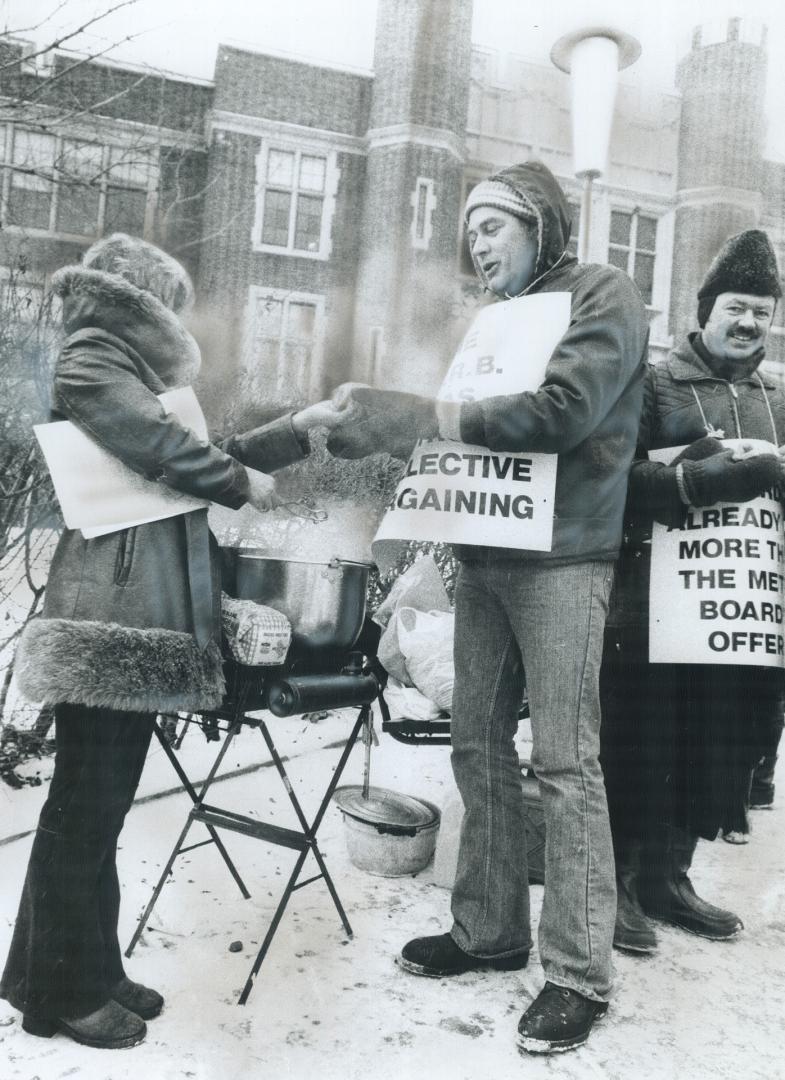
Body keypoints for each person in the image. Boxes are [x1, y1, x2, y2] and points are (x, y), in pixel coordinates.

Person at [0, 233, 352, 1049]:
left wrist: (298, 427)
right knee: (84, 809)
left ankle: (87, 966)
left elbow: (195, 456)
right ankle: (52, 989)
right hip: (113, 620)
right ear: (145, 305)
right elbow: (169, 452)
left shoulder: (122, 372)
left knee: (101, 806)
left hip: (137, 617)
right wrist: (235, 481)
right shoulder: (93, 358)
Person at [328, 161, 649, 1054]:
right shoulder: (495, 319)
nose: (476, 243)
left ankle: (578, 975)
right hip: (486, 551)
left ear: (540, 227)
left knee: (563, 761)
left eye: (493, 226)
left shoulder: (604, 293)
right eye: (469, 231)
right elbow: (459, 423)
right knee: (474, 741)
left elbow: (561, 410)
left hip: (563, 558)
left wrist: (420, 415)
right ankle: (487, 927)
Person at [600, 229, 785, 954]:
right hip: (651, 599)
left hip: (737, 608)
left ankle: (667, 877)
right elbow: (610, 481)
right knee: (640, 740)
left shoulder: (778, 394)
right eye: (736, 307)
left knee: (715, 738)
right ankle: (615, 884)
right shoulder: (653, 383)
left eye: (762, 313)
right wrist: (690, 481)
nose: (747, 324)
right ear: (704, 310)